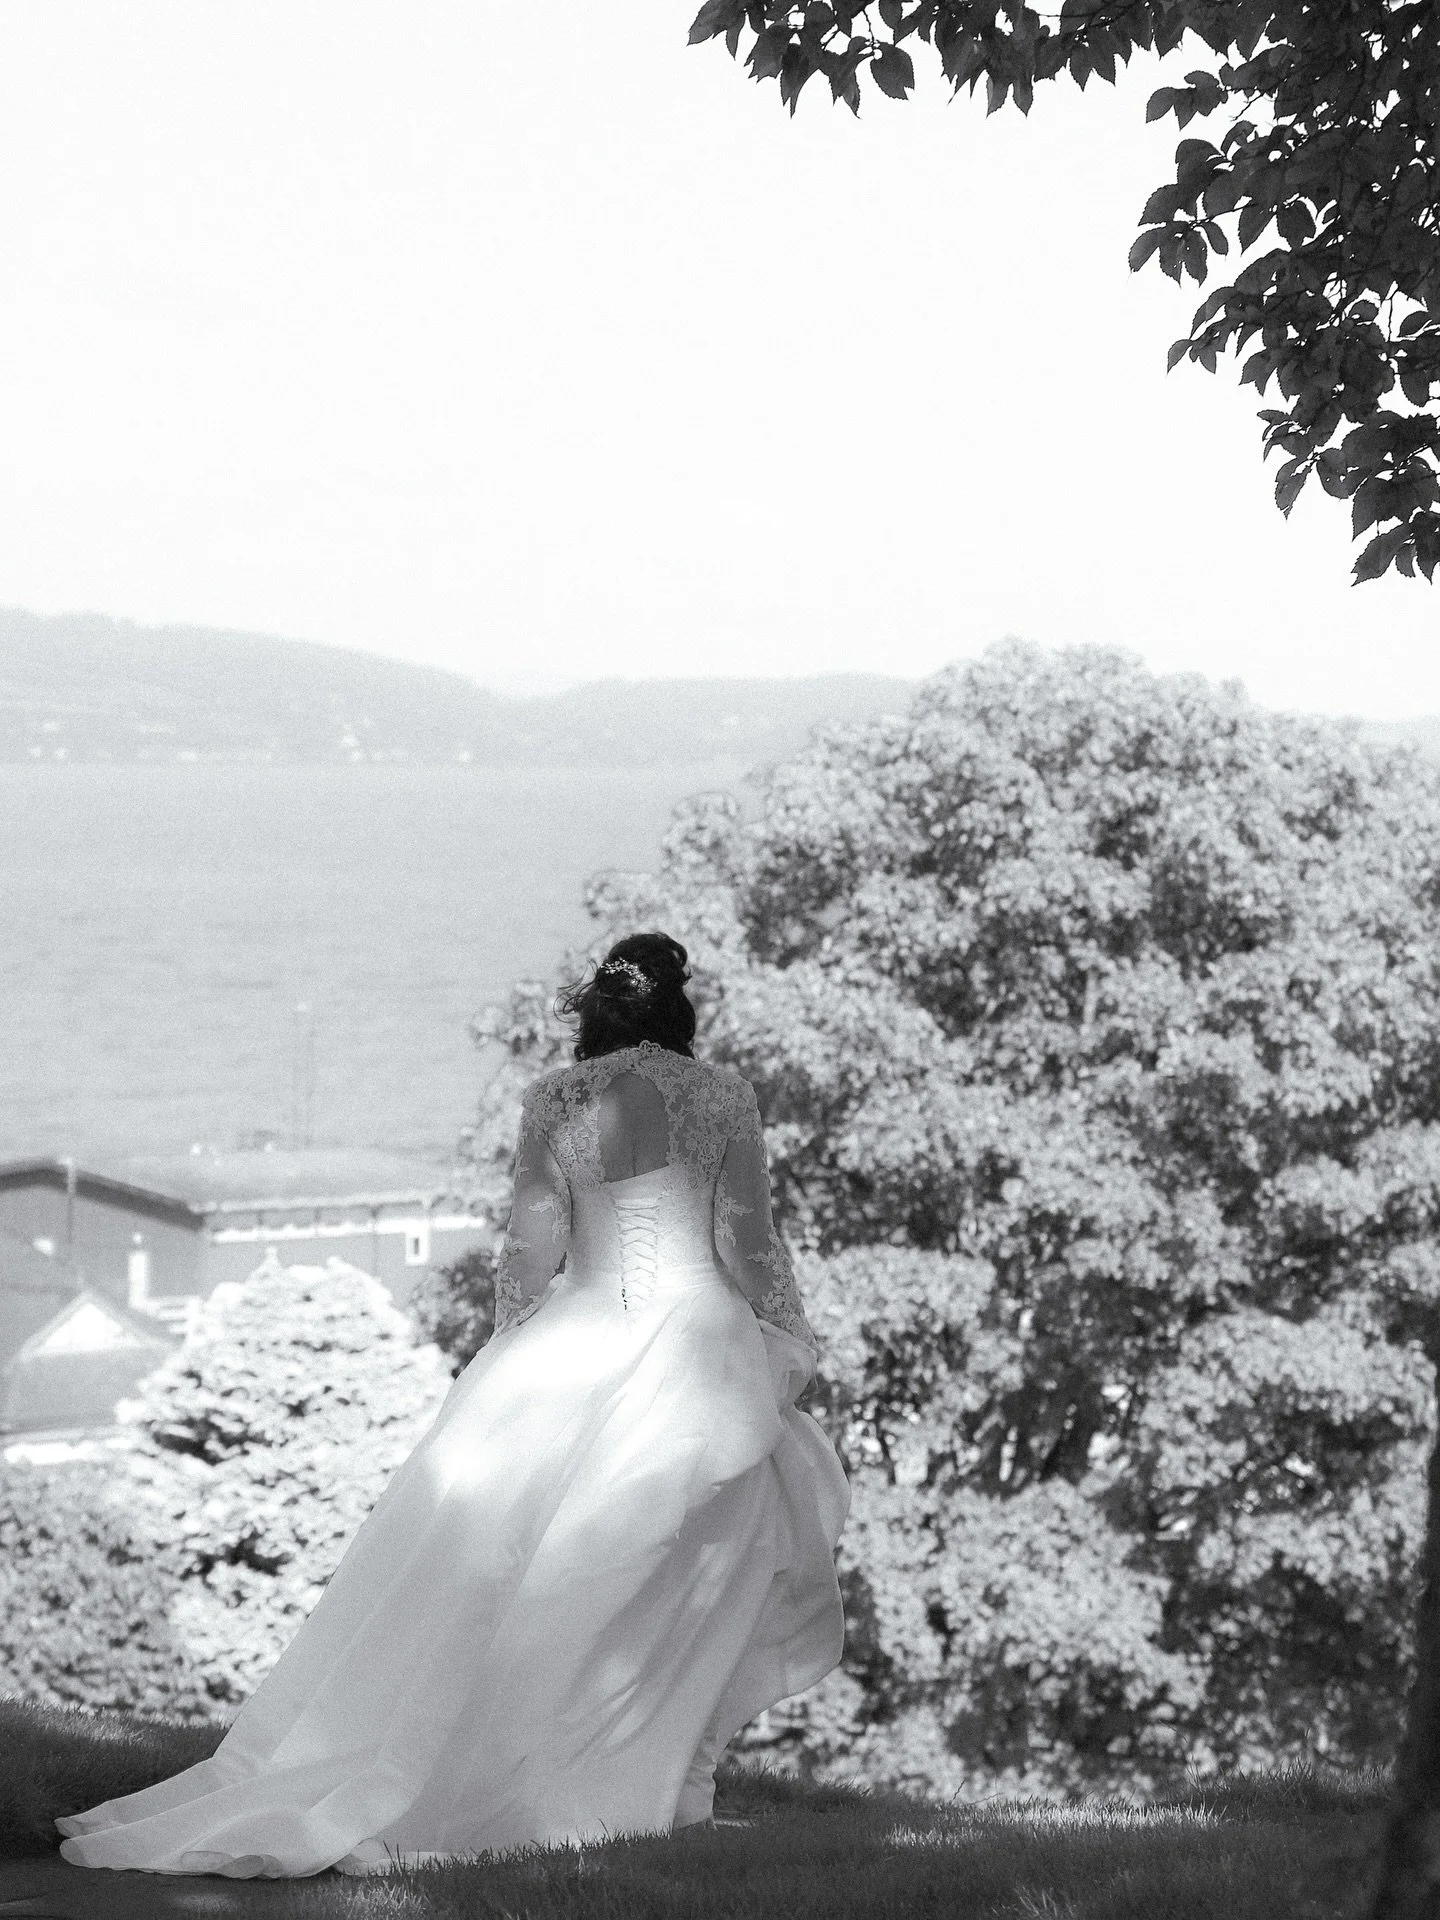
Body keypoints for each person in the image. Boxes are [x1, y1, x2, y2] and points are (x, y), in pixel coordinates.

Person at [57, 931, 850, 1876]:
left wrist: (511, 1342)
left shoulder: (557, 1099)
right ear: (680, 1009)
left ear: (595, 1010)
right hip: (698, 1351)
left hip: (577, 1343)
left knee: (526, 1574)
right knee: (675, 1567)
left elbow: (529, 1247)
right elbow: (750, 1241)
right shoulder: (723, 1098)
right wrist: (793, 1337)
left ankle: (579, 1775)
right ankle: (649, 1775)